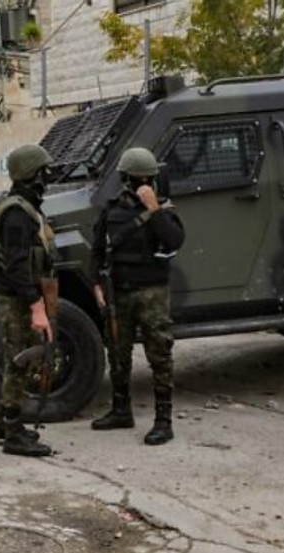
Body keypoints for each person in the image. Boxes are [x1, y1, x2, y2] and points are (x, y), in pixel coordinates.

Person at [91, 147, 186, 445]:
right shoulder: (112, 209)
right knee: (117, 353)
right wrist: (96, 282)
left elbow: (174, 240)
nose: (141, 182)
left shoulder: (164, 211)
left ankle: (164, 420)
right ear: (125, 178)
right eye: (136, 178)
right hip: (118, 292)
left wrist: (154, 208)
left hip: (152, 292)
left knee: (159, 353)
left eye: (146, 178)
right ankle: (121, 410)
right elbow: (97, 249)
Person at [0, 144, 58, 458]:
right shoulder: (18, 213)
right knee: (19, 361)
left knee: (16, 359)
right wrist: (36, 306)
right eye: (44, 170)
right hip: (16, 297)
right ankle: (13, 435)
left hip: (17, 294)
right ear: (33, 174)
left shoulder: (24, 206)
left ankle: (4, 422)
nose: (48, 175)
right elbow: (16, 265)